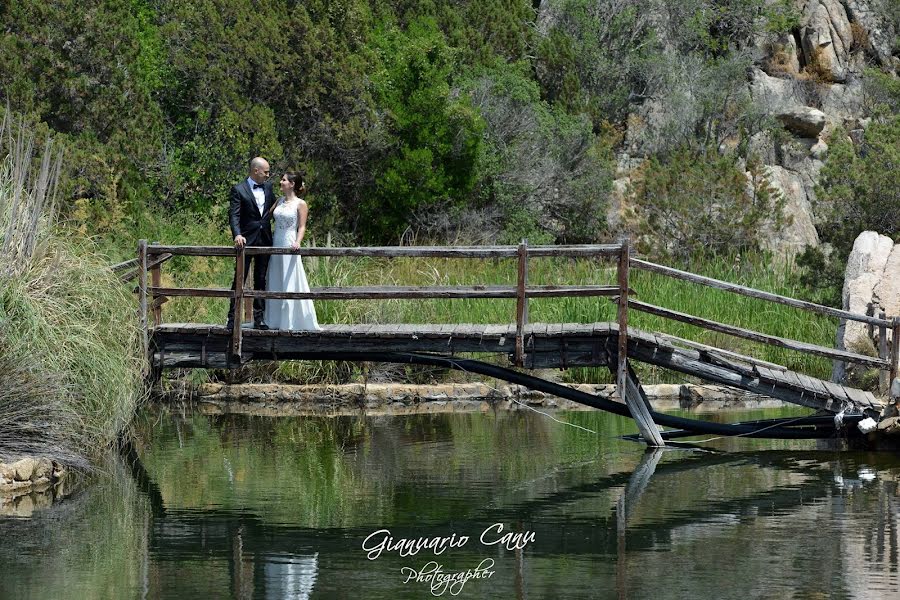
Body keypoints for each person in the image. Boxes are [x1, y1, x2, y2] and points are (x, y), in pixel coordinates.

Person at [264, 170, 320, 331]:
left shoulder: (300, 204)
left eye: (283, 180)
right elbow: (267, 217)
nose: (280, 182)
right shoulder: (279, 201)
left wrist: (297, 241)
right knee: (275, 277)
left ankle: (290, 320)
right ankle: (274, 319)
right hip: (276, 242)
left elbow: (302, 227)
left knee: (289, 279)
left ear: (292, 184)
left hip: (289, 241)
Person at [227, 156, 276, 330]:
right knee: (239, 279)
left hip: (265, 240)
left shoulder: (269, 188)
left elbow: (274, 209)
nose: (268, 175)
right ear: (256, 171)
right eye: (266, 172)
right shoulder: (238, 189)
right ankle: (232, 319)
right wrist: (237, 234)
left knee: (261, 280)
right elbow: (234, 215)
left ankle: (259, 319)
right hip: (246, 241)